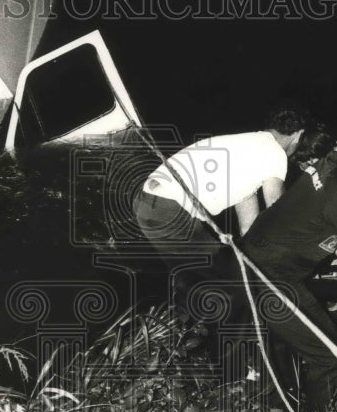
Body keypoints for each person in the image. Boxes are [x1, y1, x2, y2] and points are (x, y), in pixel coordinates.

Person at [242, 107, 337, 412]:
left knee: (311, 347)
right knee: (331, 358)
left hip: (254, 265)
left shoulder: (329, 164)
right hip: (270, 277)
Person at [132, 104, 308, 320]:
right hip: (170, 208)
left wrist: (257, 253)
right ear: (298, 135)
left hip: (147, 204)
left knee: (193, 280)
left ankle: (187, 337)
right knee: (235, 284)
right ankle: (242, 345)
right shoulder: (274, 152)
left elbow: (249, 228)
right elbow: (277, 209)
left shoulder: (247, 148)